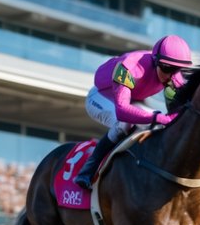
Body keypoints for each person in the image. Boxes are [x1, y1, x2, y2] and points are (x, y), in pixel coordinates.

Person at [74, 35, 191, 189]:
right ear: (156, 61)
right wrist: (158, 118)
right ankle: (87, 171)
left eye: (177, 69)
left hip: (133, 98)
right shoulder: (129, 67)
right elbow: (122, 110)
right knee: (124, 124)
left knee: (159, 126)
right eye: (167, 69)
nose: (172, 75)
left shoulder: (172, 71)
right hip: (101, 97)